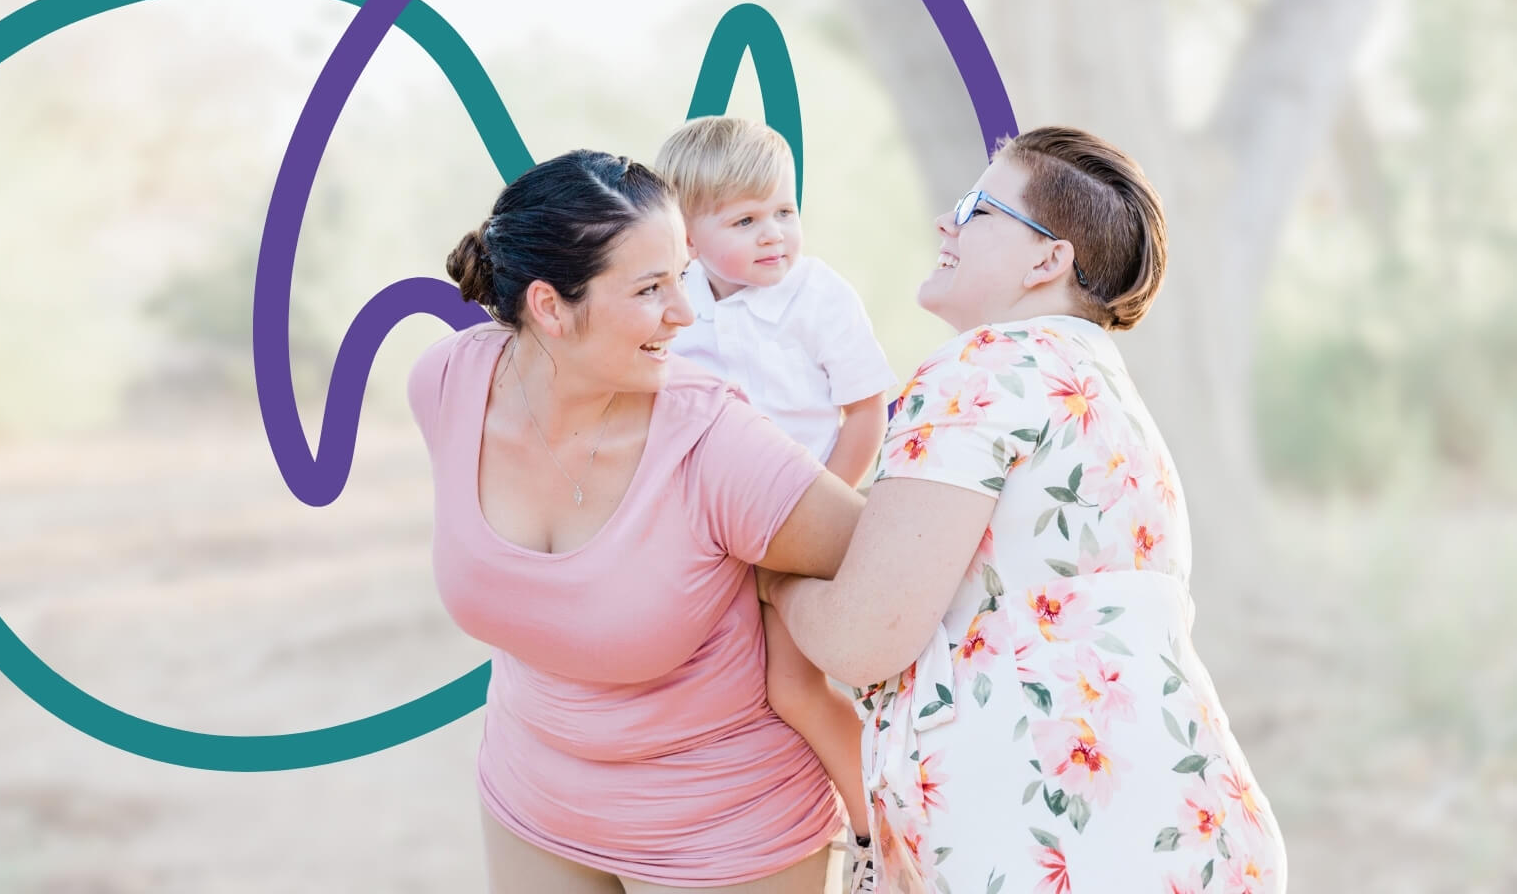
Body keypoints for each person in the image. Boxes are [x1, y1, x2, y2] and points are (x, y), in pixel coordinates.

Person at [760, 127, 1288, 893]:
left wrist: (774, 580)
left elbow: (863, 636)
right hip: (1194, 835)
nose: (947, 223)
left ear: (1049, 260)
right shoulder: (1104, 392)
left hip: (1057, 844)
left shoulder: (985, 365)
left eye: (977, 209)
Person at [408, 149, 868, 892]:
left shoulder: (719, 444)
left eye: (682, 277)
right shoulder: (448, 384)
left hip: (725, 835)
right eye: (653, 289)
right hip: (532, 802)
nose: (686, 314)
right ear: (551, 307)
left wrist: (775, 585)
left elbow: (889, 570)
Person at [653, 116, 895, 891]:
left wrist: (821, 510)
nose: (775, 235)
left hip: (802, 524)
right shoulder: (677, 304)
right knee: (712, 679)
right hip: (712, 535)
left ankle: (877, 834)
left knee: (795, 686)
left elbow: (864, 411)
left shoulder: (816, 296)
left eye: (784, 212)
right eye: (746, 220)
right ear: (685, 236)